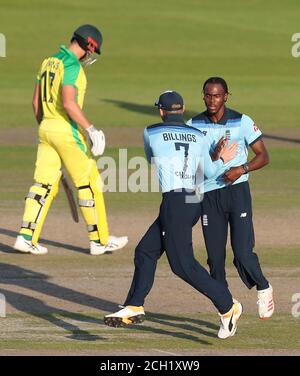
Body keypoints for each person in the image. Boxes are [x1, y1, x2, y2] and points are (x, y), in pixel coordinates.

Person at [104, 90, 243, 339]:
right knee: (146, 251)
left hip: (175, 200)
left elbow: (151, 158)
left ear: (161, 111)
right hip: (193, 198)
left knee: (182, 265)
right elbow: (208, 172)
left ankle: (228, 306)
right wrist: (220, 158)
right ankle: (134, 305)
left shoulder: (151, 131)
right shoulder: (199, 135)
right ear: (182, 110)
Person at [13, 25, 128, 256]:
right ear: (89, 46)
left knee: (42, 185)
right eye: (92, 51)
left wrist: (46, 130)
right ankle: (99, 241)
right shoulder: (72, 65)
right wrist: (91, 129)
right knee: (90, 182)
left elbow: (36, 103)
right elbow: (68, 103)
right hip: (66, 131)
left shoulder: (48, 61)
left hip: (45, 127)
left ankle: (26, 237)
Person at [187, 77, 274, 319]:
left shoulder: (241, 121)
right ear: (203, 96)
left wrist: (240, 169)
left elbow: (263, 156)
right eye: (207, 95)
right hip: (209, 195)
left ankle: (264, 287)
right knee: (215, 260)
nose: (212, 100)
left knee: (243, 253)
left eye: (217, 95)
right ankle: (227, 311)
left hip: (237, 193)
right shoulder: (193, 124)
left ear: (226, 96)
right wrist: (213, 156)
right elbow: (189, 166)